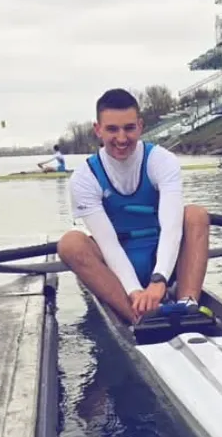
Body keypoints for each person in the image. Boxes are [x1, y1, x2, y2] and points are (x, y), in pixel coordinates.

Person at [57, 88, 210, 325]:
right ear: (98, 129)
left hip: (162, 262)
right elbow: (109, 245)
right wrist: (134, 290)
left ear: (140, 126)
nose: (121, 138)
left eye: (129, 128)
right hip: (116, 267)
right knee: (70, 244)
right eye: (112, 129)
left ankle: (187, 303)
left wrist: (159, 280)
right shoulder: (84, 178)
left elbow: (171, 228)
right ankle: (138, 317)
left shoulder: (162, 161)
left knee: (196, 215)